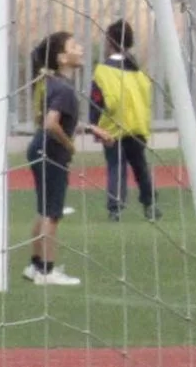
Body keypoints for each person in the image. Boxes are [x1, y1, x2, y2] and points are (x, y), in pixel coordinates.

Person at [26, 30, 85, 286]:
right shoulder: (63, 88)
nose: (80, 48)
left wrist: (92, 129)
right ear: (62, 58)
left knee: (43, 210)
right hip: (51, 152)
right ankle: (47, 272)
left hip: (38, 148)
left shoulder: (51, 83)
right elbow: (51, 124)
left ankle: (36, 266)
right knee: (53, 213)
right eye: (75, 45)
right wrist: (69, 143)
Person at [91, 19, 156, 222]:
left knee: (115, 167)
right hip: (137, 126)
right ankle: (150, 204)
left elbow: (97, 99)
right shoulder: (139, 71)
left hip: (113, 127)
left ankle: (115, 209)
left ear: (109, 42)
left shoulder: (103, 71)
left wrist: (94, 125)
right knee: (140, 167)